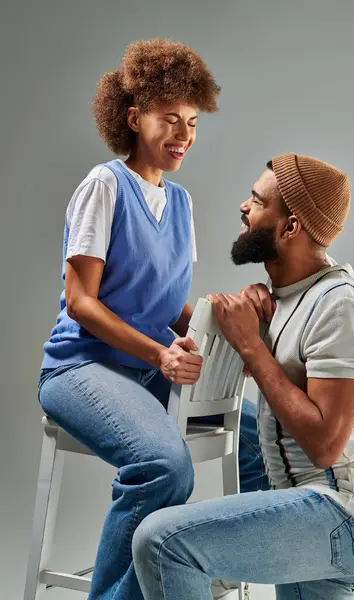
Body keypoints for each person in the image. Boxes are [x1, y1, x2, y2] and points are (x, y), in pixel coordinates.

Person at [38, 39, 269, 600]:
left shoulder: (182, 203)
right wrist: (160, 355)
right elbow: (80, 302)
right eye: (170, 119)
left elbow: (169, 306)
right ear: (135, 117)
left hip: (144, 371)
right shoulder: (105, 186)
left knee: (265, 434)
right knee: (164, 465)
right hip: (81, 369)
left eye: (192, 122)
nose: (183, 135)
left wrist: (221, 329)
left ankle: (211, 569)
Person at [132, 153, 354, 600]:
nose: (243, 206)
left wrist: (252, 347)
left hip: (344, 515)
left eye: (257, 201)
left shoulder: (341, 306)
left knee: (162, 543)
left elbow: (325, 445)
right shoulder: (287, 298)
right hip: (310, 509)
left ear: (290, 227)